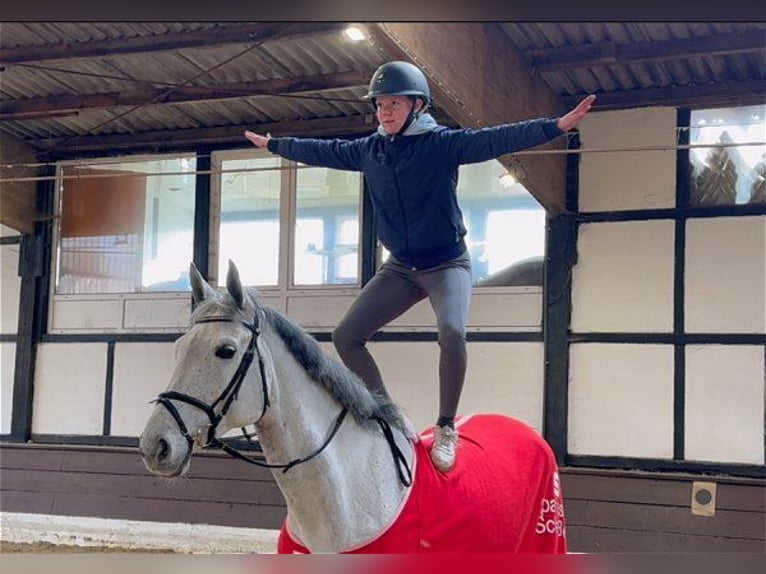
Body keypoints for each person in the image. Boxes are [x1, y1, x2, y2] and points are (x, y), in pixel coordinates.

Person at [245, 60, 595, 472]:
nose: (385, 112)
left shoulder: (441, 145)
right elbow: (323, 150)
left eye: (394, 103)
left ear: (418, 106)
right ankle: (385, 416)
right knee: (346, 335)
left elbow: (495, 139)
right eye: (379, 105)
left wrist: (554, 127)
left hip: (447, 263)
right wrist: (275, 144)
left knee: (451, 331)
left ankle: (446, 427)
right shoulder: (368, 150)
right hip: (400, 267)